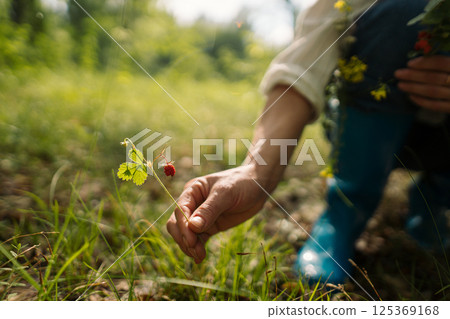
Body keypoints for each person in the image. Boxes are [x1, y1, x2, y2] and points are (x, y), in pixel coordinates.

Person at [166, 0, 450, 283]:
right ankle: (345, 213)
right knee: (400, 10)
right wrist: (255, 171)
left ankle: (435, 197)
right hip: (378, 126)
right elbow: (303, 67)